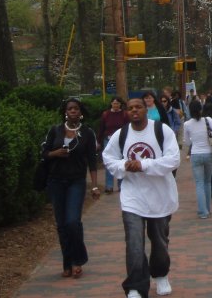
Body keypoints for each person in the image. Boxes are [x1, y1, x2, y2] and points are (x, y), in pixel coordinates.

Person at [102, 96, 180, 298]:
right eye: (130, 108)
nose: (134, 110)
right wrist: (124, 166)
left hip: (160, 197)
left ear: (147, 109)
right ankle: (136, 286)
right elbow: (108, 158)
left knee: (160, 241)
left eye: (138, 107)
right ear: (127, 112)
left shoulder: (162, 131)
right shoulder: (121, 135)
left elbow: (173, 160)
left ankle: (161, 275)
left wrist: (144, 165)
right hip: (132, 197)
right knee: (134, 242)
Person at [42, 97, 100, 279]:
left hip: (76, 181)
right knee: (61, 225)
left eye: (76, 109)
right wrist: (55, 153)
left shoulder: (87, 133)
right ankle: (67, 262)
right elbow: (43, 153)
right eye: (70, 109)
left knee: (73, 222)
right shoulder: (55, 131)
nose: (73, 111)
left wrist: (95, 186)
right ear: (65, 112)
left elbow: (92, 160)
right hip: (56, 181)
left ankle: (78, 260)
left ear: (81, 112)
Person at [183, 99, 212, 219]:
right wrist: (210, 137)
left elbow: (187, 142)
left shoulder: (187, 124)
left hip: (195, 154)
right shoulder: (207, 120)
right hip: (209, 153)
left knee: (199, 183)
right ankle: (207, 209)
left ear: (189, 111)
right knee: (207, 181)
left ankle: (202, 212)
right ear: (200, 109)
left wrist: (194, 140)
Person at [98, 97, 128, 193]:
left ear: (120, 104)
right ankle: (109, 186)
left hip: (121, 140)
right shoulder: (106, 114)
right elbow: (101, 128)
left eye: (117, 103)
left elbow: (128, 127)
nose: (115, 105)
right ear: (111, 104)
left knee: (121, 162)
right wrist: (98, 141)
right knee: (109, 162)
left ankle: (121, 185)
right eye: (114, 103)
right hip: (108, 140)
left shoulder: (124, 114)